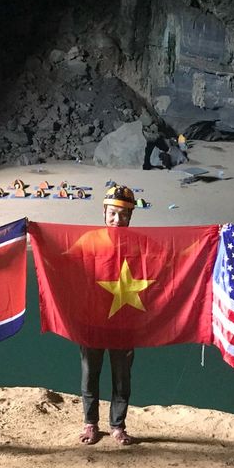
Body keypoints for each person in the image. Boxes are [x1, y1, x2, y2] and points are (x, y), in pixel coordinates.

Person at [78, 184, 138, 447]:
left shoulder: (139, 243)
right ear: (104, 212)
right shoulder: (89, 240)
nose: (118, 220)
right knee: (90, 372)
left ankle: (118, 425)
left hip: (125, 320)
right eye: (113, 213)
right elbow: (62, 263)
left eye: (124, 215)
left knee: (122, 376)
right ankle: (90, 423)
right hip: (92, 319)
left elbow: (171, 257)